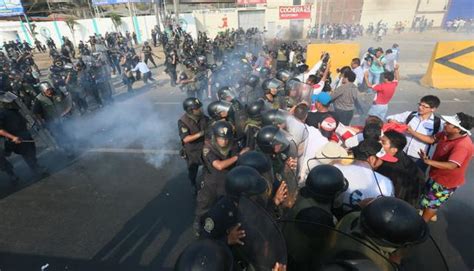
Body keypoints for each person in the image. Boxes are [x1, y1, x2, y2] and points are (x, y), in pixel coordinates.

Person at [418, 113, 474, 223]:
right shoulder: (446, 133)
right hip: (436, 175)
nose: (445, 124)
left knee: (432, 204)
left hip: (446, 182)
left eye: (449, 123)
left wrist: (428, 161)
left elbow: (452, 165)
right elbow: (432, 139)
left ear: (458, 129)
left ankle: (421, 224)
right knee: (428, 197)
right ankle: (429, 214)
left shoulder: (462, 145)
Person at [195, 121, 249, 233]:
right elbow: (219, 165)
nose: (224, 141)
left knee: (226, 208)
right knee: (205, 207)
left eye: (226, 138)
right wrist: (238, 156)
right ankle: (199, 226)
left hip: (227, 183)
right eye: (221, 138)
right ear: (215, 137)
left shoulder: (232, 144)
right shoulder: (208, 148)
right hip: (211, 184)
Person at [386, 95, 442, 171]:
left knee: (415, 178)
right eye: (420, 104)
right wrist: (395, 123)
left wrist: (412, 132)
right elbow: (390, 118)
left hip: (419, 158)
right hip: (402, 152)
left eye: (424, 106)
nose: (420, 107)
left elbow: (433, 140)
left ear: (433, 109)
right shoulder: (410, 115)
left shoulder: (438, 123)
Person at [0, 92, 47, 178]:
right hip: (16, 137)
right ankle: (36, 170)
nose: (13, 102)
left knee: (31, 151)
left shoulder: (13, 110)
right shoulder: (2, 113)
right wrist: (13, 137)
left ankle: (36, 167)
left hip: (24, 133)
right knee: (27, 153)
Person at [178, 97, 209, 194]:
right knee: (193, 170)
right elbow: (186, 139)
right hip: (192, 151)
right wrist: (202, 133)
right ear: (190, 110)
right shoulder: (183, 121)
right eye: (197, 108)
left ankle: (206, 184)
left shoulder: (203, 117)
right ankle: (193, 184)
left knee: (208, 168)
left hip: (205, 148)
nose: (200, 109)